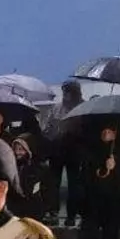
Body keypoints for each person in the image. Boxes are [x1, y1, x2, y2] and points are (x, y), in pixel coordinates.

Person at [42, 80, 87, 225]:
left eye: (68, 92)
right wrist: (52, 136)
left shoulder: (84, 108)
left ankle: (71, 216)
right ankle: (53, 213)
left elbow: (87, 131)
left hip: (75, 152)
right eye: (64, 92)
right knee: (53, 183)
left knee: (74, 185)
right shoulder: (56, 108)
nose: (66, 95)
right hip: (57, 150)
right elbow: (48, 129)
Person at [6, 135, 46, 219]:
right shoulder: (10, 167)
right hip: (14, 211)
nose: (17, 152)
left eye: (21, 149)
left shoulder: (39, 168)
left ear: (28, 150)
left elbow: (46, 191)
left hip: (33, 212)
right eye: (15, 149)